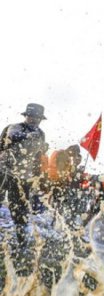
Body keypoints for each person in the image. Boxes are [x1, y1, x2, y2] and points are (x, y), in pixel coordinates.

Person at [0, 103, 48, 274]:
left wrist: (36, 177)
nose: (35, 121)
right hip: (4, 171)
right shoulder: (14, 128)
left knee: (19, 211)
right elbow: (8, 142)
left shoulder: (41, 134)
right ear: (26, 116)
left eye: (38, 119)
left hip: (23, 178)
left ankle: (21, 246)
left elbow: (38, 157)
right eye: (32, 117)